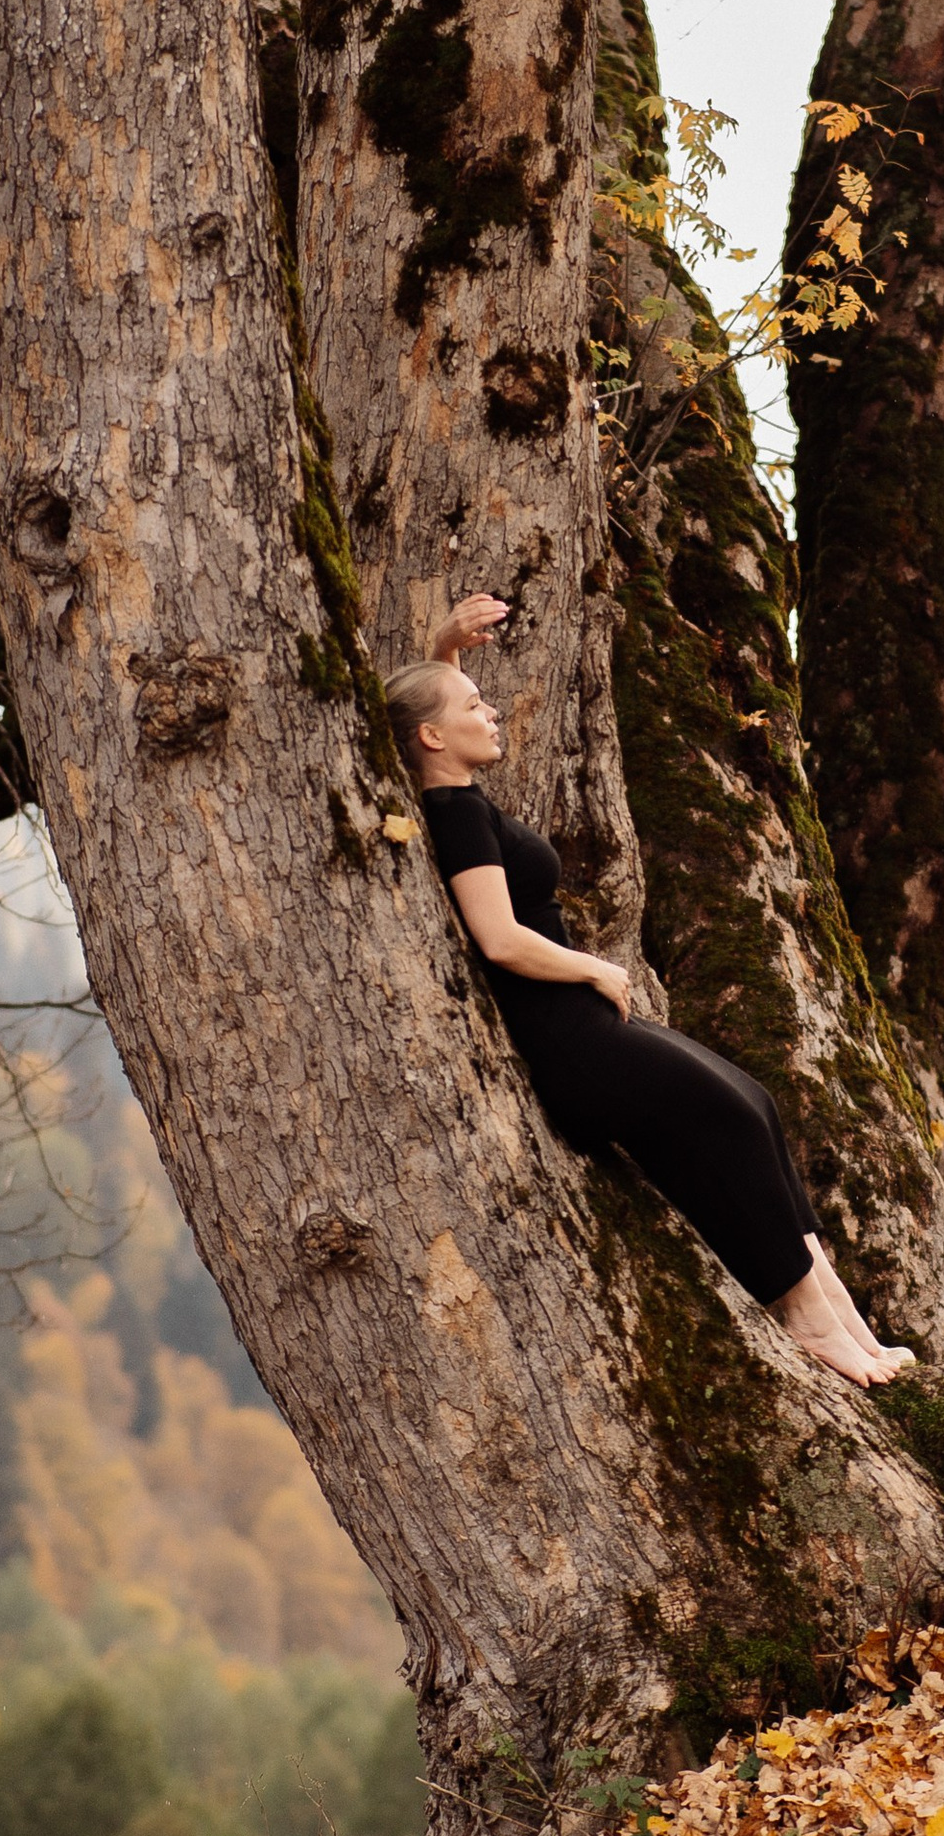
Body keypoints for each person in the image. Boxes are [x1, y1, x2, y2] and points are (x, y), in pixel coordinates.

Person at [385, 593, 912, 1387]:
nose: (491, 712)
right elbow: (498, 938)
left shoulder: (460, 791)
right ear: (432, 736)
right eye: (474, 706)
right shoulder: (454, 814)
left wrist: (447, 650)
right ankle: (807, 1324)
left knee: (754, 1103)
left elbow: (426, 714)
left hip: (586, 1028)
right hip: (568, 1045)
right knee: (727, 1119)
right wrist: (596, 967)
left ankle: (844, 1320)